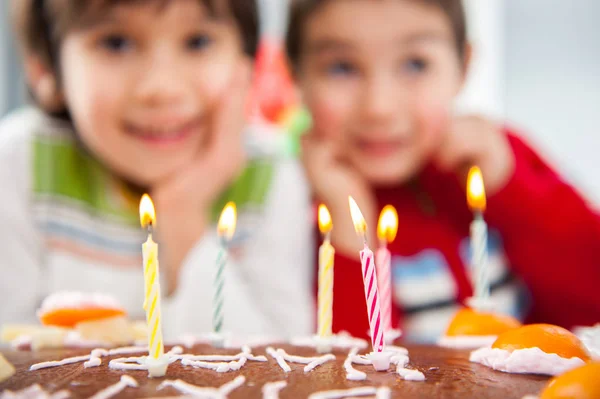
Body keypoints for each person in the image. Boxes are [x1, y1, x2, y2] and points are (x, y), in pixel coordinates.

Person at [288, 0, 600, 341]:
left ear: (463, 66)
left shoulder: (499, 160)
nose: (379, 107)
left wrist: (511, 188)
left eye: (415, 64)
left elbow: (590, 303)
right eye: (342, 68)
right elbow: (346, 376)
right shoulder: (292, 203)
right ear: (296, 76)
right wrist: (350, 231)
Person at [0, 0, 314, 339]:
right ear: (45, 70)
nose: (162, 88)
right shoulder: (21, 165)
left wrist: (184, 212)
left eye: (198, 42)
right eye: (115, 43)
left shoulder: (271, 176)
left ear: (248, 64)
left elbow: (278, 364)